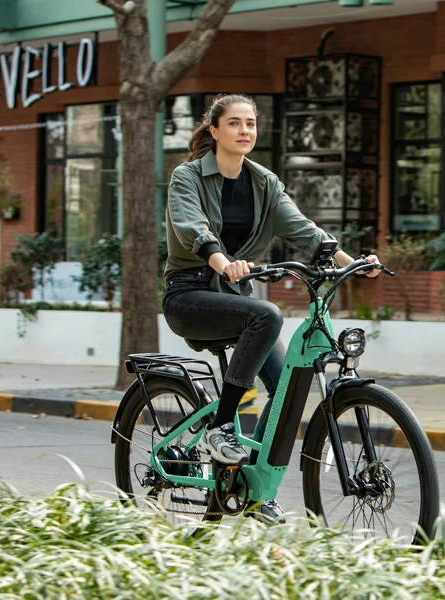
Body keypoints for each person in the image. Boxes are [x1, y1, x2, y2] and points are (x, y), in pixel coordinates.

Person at [162, 93, 380, 522]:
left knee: (287, 388)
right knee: (269, 314)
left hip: (233, 300)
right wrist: (223, 263)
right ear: (214, 130)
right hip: (188, 294)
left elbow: (303, 229)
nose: (245, 131)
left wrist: (350, 261)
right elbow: (193, 228)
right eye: (234, 124)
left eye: (251, 124)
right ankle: (222, 427)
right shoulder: (187, 178)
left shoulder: (264, 183)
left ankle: (255, 486)